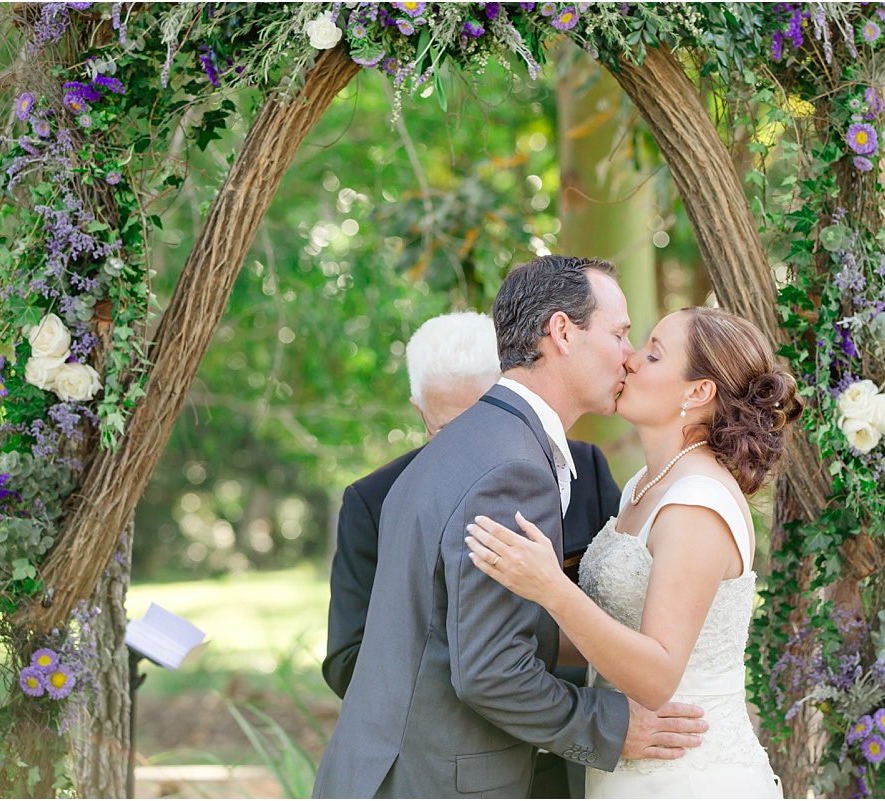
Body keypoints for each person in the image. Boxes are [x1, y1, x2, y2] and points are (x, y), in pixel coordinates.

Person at [312, 256, 709, 799]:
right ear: (563, 332)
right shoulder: (512, 469)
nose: (628, 355)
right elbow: (491, 672)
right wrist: (611, 724)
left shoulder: (471, 440)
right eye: (619, 333)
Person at [466, 307, 802, 799]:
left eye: (654, 354)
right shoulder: (646, 486)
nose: (630, 360)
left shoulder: (697, 504)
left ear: (697, 392)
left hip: (685, 776)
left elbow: (658, 675)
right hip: (626, 767)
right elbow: (607, 636)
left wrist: (551, 587)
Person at [321, 310, 622, 799]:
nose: (473, 448)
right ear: (420, 411)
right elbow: (350, 658)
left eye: (483, 417)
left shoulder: (584, 468)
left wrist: (547, 696)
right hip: (446, 767)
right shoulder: (375, 498)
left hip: (569, 768)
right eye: (448, 428)